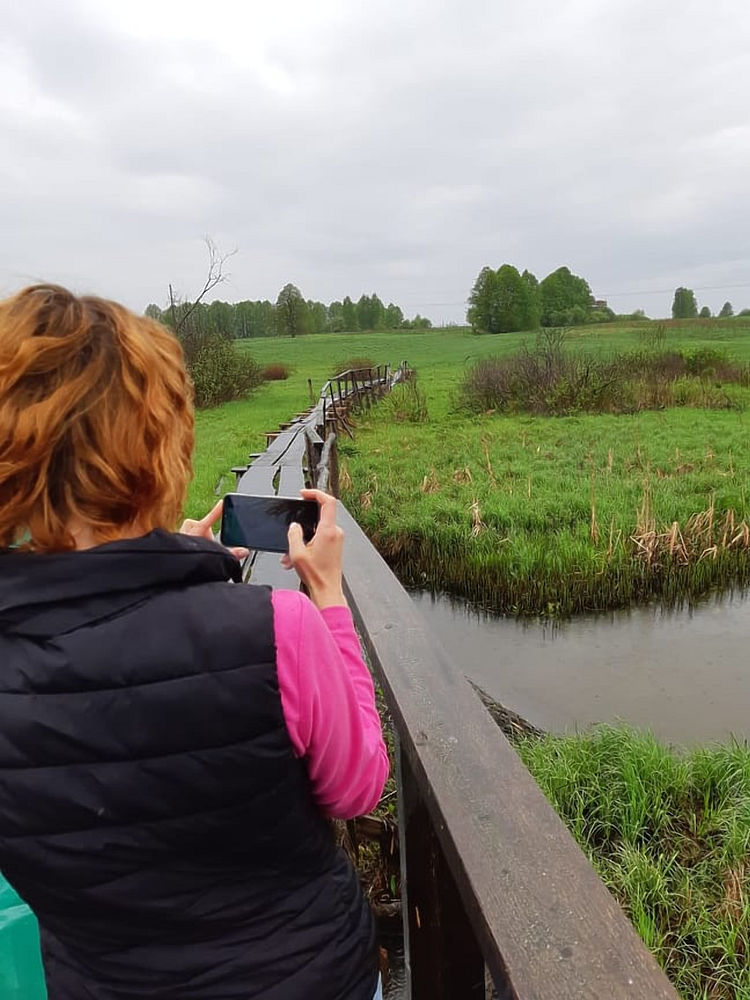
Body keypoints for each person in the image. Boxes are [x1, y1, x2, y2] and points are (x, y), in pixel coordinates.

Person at [0, 284, 389, 999]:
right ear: (158, 447)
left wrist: (156, 571)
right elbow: (357, 786)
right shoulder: (278, 630)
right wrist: (328, 598)